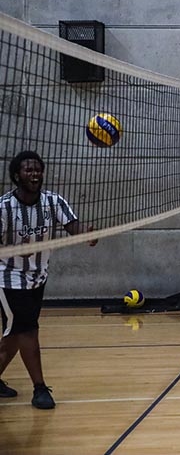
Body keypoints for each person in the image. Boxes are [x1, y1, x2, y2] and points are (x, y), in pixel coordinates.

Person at [0, 150, 96, 409]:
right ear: (16, 175)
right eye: (28, 170)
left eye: (38, 170)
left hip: (38, 277)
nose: (35, 174)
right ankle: (40, 388)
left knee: (14, 335)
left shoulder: (53, 201)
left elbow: (72, 226)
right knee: (27, 330)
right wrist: (13, 248)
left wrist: (86, 234)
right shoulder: (4, 207)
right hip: (9, 279)